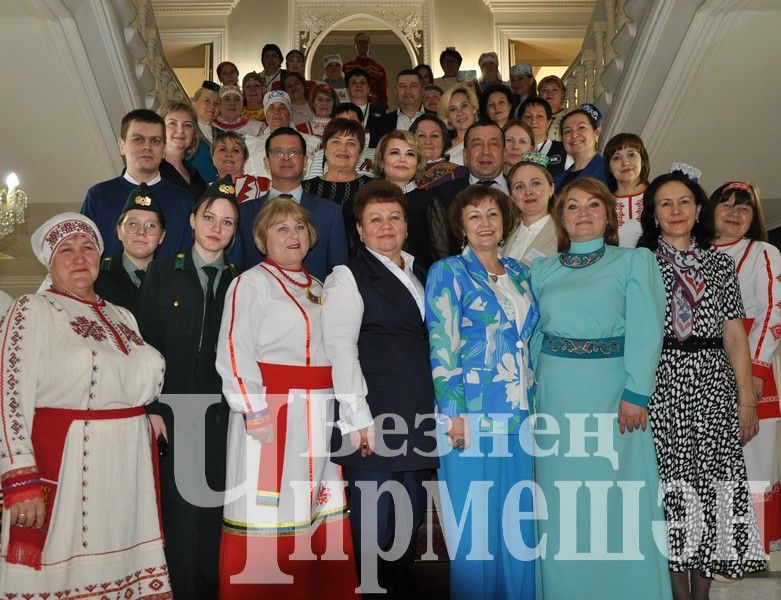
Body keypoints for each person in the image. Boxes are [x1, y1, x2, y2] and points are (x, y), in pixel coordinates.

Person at [0, 213, 170, 596]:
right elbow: (8, 396)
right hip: (70, 465)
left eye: (88, 247)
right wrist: (19, 478)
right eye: (66, 250)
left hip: (129, 473)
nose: (79, 258)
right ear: (49, 260)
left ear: (100, 255)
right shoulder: (32, 309)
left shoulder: (121, 315)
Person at [216, 196, 367, 599]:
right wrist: (253, 410)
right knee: (272, 509)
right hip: (272, 414)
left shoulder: (320, 287)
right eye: (281, 228)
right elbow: (234, 350)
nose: (293, 235)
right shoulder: (250, 283)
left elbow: (338, 351)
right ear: (263, 238)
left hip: (320, 414)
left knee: (314, 509)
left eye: (299, 227)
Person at [531, 177, 672, 599]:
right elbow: (535, 334)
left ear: (609, 214)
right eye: (572, 207)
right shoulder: (542, 268)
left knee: (618, 498)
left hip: (615, 395)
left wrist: (636, 393)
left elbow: (648, 330)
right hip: (556, 396)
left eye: (593, 205)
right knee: (563, 504)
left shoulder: (634, 261)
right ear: (561, 218)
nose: (583, 214)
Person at [637, 167, 767, 598]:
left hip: (713, 384)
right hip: (662, 383)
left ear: (698, 212)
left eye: (684, 202)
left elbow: (734, 334)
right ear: (653, 214)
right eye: (665, 204)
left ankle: (703, 593)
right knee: (672, 491)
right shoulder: (640, 264)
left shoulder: (720, 263)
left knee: (712, 490)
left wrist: (746, 399)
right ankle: (678, 592)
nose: (676, 211)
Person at [323, 180, 439, 597]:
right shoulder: (347, 277)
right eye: (375, 219)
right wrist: (358, 419)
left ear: (407, 225)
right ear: (359, 230)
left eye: (394, 217)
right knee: (376, 530)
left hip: (419, 419)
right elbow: (340, 349)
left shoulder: (422, 272)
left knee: (405, 532)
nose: (386, 226)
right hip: (375, 423)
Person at [425, 185, 537, 600]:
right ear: (461, 226)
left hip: (521, 415)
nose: (485, 223)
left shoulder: (521, 273)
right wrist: (452, 414)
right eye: (475, 216)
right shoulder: (448, 272)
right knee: (475, 532)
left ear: (505, 222)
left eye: (492, 214)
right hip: (470, 417)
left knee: (518, 529)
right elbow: (442, 345)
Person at [138, 177, 240, 599]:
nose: (217, 228)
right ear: (193, 220)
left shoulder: (241, 281)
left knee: (217, 511)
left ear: (235, 232)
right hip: (174, 413)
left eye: (228, 222)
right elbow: (145, 345)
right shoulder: (162, 272)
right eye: (210, 218)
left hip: (223, 415)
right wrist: (151, 407)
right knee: (181, 517)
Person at [711, 180, 781, 566]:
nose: (736, 213)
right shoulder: (697, 252)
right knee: (715, 461)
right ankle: (721, 548)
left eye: (745, 208)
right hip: (705, 369)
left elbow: (774, 310)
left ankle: (748, 551)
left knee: (751, 459)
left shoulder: (763, 253)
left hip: (754, 368)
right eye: (728, 204)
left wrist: (754, 373)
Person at [233, 127, 348, 280]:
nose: (286, 157)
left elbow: (339, 274)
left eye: (293, 152)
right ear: (266, 162)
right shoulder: (243, 213)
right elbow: (234, 270)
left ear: (306, 161)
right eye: (278, 152)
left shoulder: (330, 213)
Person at [81, 108, 193, 258]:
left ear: (164, 149)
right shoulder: (98, 196)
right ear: (121, 145)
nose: (147, 147)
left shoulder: (183, 200)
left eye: (155, 141)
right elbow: (84, 254)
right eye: (138, 139)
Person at [372, 130, 449, 270]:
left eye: (410, 154)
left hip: (421, 283)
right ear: (382, 161)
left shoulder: (430, 202)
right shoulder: (366, 201)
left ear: (418, 164)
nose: (402, 159)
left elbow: (442, 257)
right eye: (395, 152)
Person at [95, 182, 166, 316]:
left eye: (151, 225)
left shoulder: (172, 280)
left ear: (162, 236)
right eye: (133, 224)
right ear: (119, 232)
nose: (141, 232)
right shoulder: (96, 277)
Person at [302, 118, 372, 252]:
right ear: (325, 148)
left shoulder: (373, 188)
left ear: (360, 151)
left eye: (351, 143)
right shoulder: (305, 188)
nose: (343, 148)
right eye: (336, 141)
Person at [243, 91, 321, 180]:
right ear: (266, 114)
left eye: (282, 108)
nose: (277, 112)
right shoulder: (252, 145)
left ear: (290, 114)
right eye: (271, 108)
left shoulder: (311, 142)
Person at [503, 151, 556, 265]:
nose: (528, 192)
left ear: (551, 189)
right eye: (519, 187)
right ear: (512, 197)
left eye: (536, 183)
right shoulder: (503, 236)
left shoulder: (566, 234)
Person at [604, 132, 651, 248]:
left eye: (632, 155)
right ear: (609, 167)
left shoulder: (660, 197)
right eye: (616, 157)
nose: (625, 162)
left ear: (643, 160)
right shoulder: (603, 203)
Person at [158, 100, 207, 200]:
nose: (181, 130)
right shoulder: (149, 171)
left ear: (194, 134)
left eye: (188, 125)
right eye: (172, 123)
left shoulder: (195, 174)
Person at [554, 103, 607, 190]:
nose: (574, 135)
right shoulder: (557, 180)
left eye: (581, 127)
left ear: (596, 134)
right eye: (567, 131)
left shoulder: (609, 172)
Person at [367, 69, 425, 148]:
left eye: (413, 86)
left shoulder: (437, 119)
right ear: (396, 91)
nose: (407, 90)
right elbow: (374, 154)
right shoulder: (380, 123)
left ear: (422, 91)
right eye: (402, 86)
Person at [410, 113, 467, 190]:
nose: (428, 141)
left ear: (443, 142)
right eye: (422, 136)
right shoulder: (401, 171)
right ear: (411, 141)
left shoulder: (460, 173)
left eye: (434, 136)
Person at [212, 130, 270, 203]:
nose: (229, 154)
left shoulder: (265, 186)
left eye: (235, 150)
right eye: (223, 149)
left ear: (244, 159)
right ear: (212, 158)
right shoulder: (204, 190)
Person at [518, 96, 567, 179]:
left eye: (540, 116)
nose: (533, 121)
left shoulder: (563, 150)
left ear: (548, 122)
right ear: (520, 122)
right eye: (528, 116)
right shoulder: (513, 150)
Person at [343, 32, 389, 110]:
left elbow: (382, 93)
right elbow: (343, 88)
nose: (362, 45)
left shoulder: (378, 69)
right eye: (359, 43)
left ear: (369, 45)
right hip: (351, 105)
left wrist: (384, 110)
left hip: (374, 107)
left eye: (365, 42)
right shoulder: (346, 67)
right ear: (355, 46)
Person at [437, 85, 479, 166]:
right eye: (453, 109)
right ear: (448, 117)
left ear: (473, 108)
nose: (460, 113)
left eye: (464, 106)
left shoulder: (489, 139)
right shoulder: (442, 147)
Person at [190, 80, 221, 182]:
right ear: (194, 104)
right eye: (207, 101)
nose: (212, 106)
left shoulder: (223, 135)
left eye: (216, 103)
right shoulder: (186, 132)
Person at [538, 74, 568, 141]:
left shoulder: (569, 116)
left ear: (562, 94)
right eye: (545, 90)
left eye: (554, 89)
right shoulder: (533, 116)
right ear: (539, 95)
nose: (549, 93)